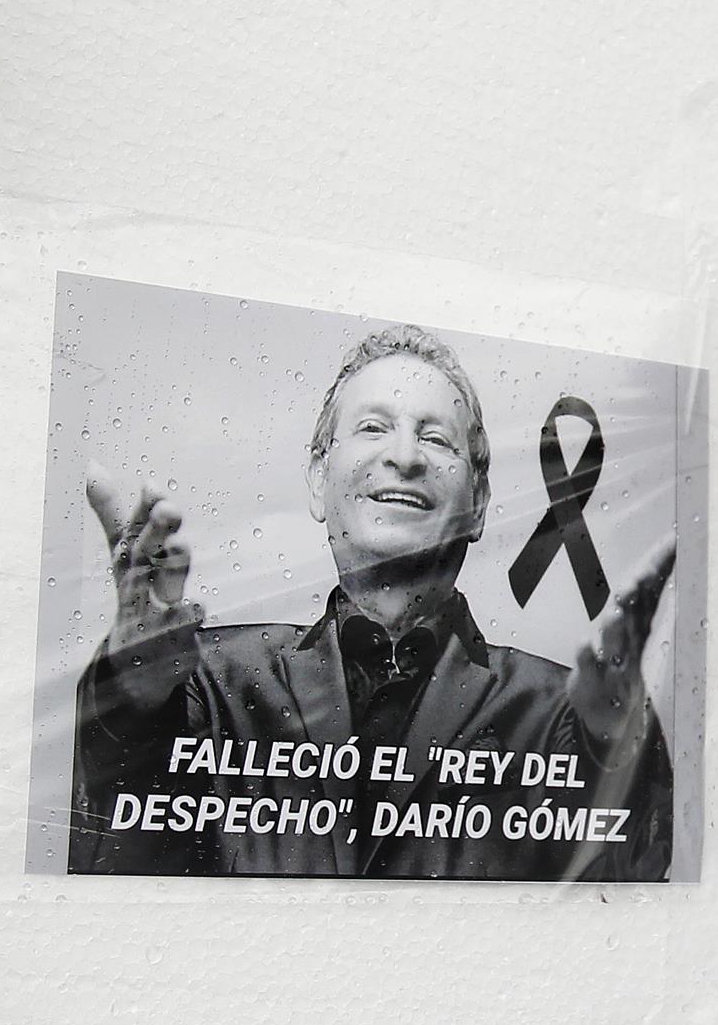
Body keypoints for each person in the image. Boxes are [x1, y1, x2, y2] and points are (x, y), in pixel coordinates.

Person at [70, 323, 674, 881]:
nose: (405, 457)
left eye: (436, 438)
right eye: (373, 428)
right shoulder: (208, 687)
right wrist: (132, 699)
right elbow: (116, 864)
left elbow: (627, 896)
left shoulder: (557, 719)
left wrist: (614, 748)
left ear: (481, 503)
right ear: (317, 479)